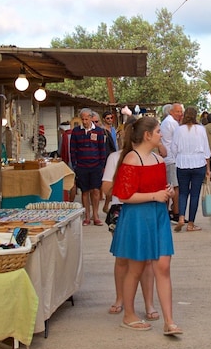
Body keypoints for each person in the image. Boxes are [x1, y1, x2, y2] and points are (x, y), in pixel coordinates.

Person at [109, 116, 182, 335]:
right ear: (147, 135)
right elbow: (124, 195)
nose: (161, 135)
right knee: (136, 267)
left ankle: (169, 321)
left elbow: (158, 191)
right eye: (158, 131)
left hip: (157, 216)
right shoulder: (132, 159)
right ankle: (129, 314)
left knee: (163, 267)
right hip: (138, 217)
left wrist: (166, 193)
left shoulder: (158, 160)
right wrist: (156, 195)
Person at [101, 139, 157, 321]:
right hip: (121, 209)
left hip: (146, 209)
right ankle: (120, 298)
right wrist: (126, 184)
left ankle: (149, 303)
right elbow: (106, 188)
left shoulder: (154, 158)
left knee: (147, 259)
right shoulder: (116, 157)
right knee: (123, 257)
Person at [172, 107, 210, 233]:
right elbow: (206, 151)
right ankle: (191, 224)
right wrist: (208, 169)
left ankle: (181, 217)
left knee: (183, 192)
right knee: (195, 194)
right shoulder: (201, 129)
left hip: (182, 163)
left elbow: (174, 148)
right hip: (198, 163)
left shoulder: (178, 130)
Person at [71, 108, 109, 226]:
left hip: (96, 165)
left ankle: (96, 215)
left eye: (86, 119)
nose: (84, 121)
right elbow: (73, 150)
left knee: (96, 190)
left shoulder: (98, 131)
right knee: (84, 192)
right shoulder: (76, 131)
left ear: (91, 118)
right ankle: (87, 216)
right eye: (82, 119)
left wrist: (102, 165)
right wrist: (75, 165)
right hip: (81, 166)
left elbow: (102, 149)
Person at [159, 103, 183, 222]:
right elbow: (179, 140)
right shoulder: (172, 123)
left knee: (170, 185)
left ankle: (170, 211)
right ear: (171, 112)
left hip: (169, 158)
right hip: (171, 159)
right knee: (174, 187)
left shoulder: (166, 122)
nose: (180, 114)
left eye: (180, 112)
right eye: (177, 111)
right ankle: (176, 212)